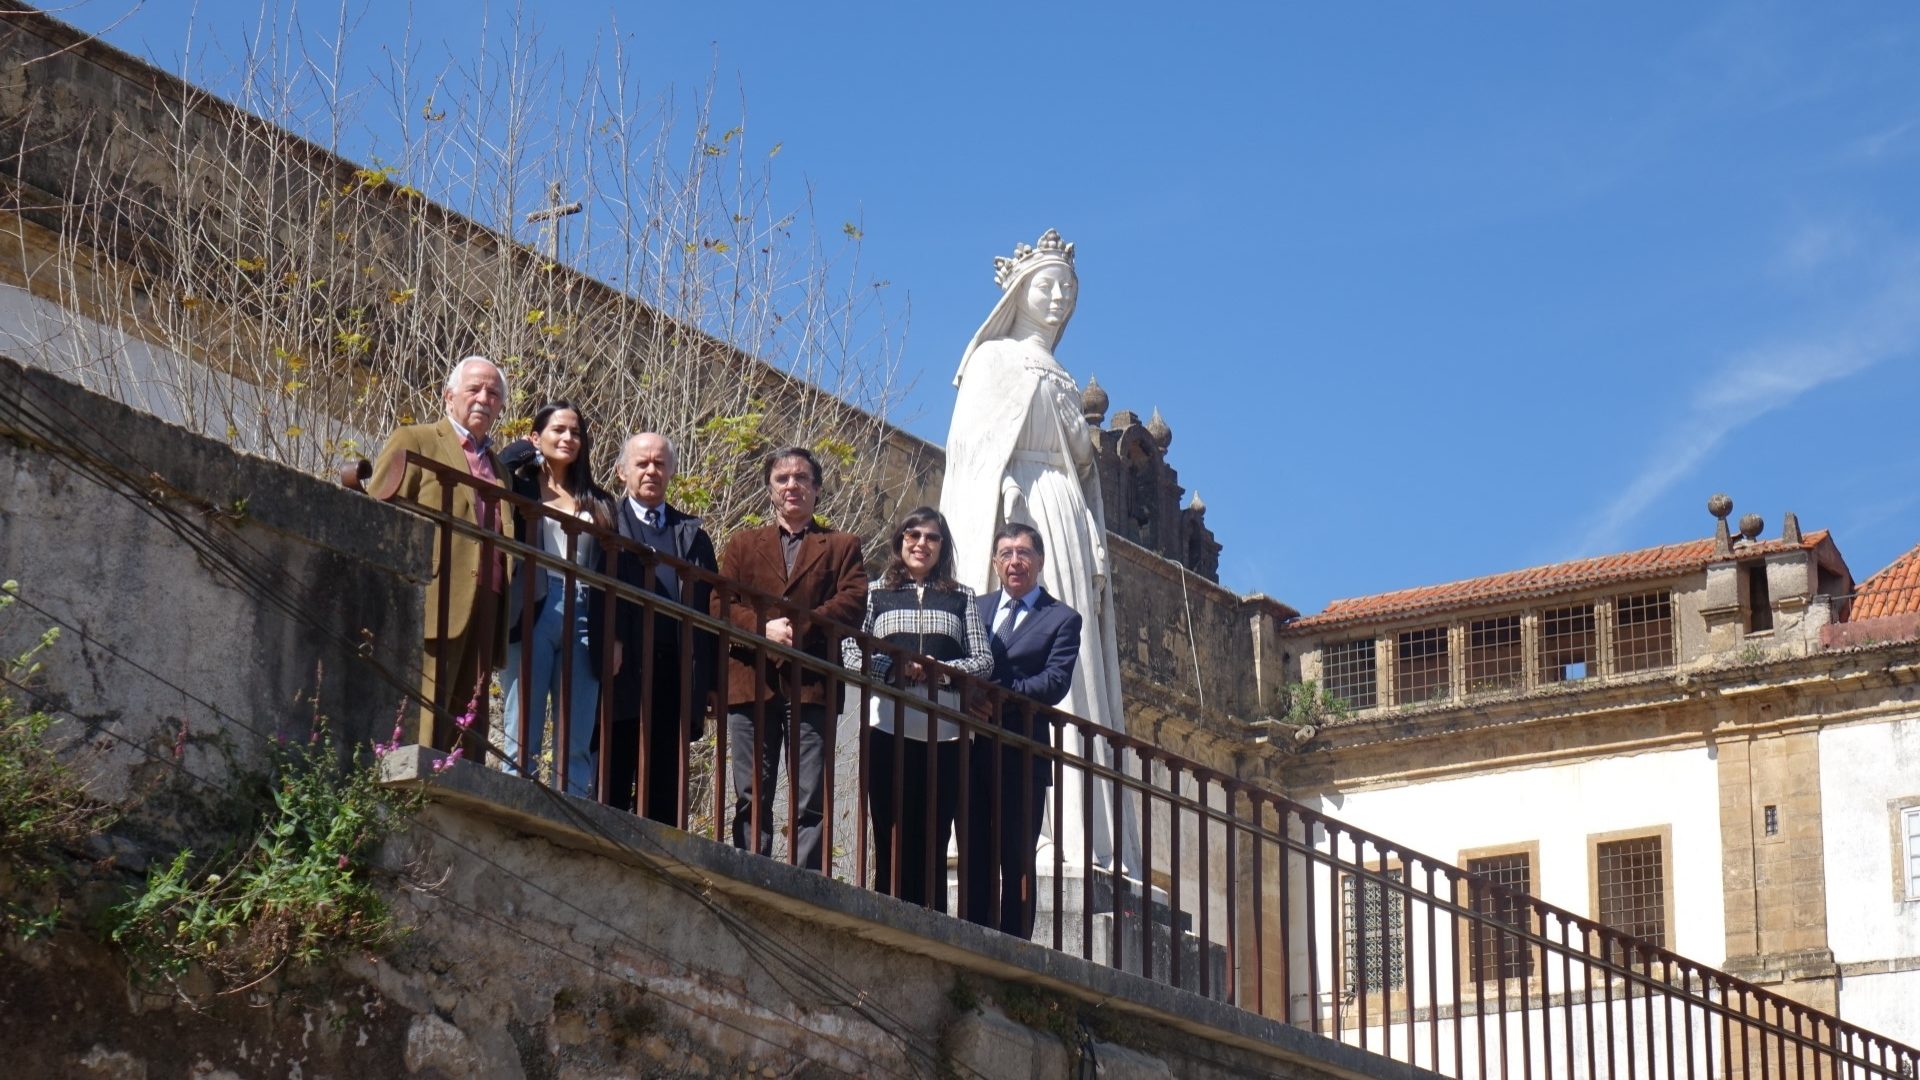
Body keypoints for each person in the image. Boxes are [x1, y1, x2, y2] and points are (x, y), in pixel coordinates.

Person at [940, 228, 1138, 879]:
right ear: (1021, 293)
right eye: (1046, 286)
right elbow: (972, 456)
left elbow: (1082, 468)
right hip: (1018, 506)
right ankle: (1027, 827)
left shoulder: (1058, 372)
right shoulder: (994, 360)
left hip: (1065, 519)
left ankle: (1085, 834)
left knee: (1074, 670)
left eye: (1067, 290)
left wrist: (1081, 457)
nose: (1057, 298)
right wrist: (999, 503)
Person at [714, 446, 867, 870]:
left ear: (817, 490)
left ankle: (807, 880)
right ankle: (749, 869)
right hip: (751, 677)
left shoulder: (841, 546)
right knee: (750, 790)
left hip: (812, 682)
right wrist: (762, 630)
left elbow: (853, 602)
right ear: (770, 490)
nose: (792, 485)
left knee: (810, 795)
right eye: (782, 479)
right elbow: (719, 602)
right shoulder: (744, 544)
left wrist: (799, 628)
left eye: (801, 478)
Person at [842, 507, 991, 912]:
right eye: (913, 535)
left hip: (946, 733)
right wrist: (892, 667)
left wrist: (939, 672)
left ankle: (930, 918)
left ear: (943, 547)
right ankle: (886, 913)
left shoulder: (962, 598)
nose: (921, 543)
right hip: (887, 725)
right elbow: (852, 649)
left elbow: (982, 659)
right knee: (888, 829)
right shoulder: (875, 593)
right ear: (899, 541)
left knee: (934, 834)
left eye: (931, 537)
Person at [371, 355, 510, 759]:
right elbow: (382, 513)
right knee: (425, 702)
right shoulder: (415, 440)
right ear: (450, 396)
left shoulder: (500, 469)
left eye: (494, 393)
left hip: (488, 598)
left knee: (471, 714)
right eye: (475, 389)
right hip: (433, 594)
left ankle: (459, 782)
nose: (484, 398)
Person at [963, 523, 1081, 938]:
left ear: (1040, 561)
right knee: (973, 850)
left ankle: (1015, 944)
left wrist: (997, 696)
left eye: (1024, 553)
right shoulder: (973, 608)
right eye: (1006, 553)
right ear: (995, 563)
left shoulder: (1062, 619)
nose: (1015, 561)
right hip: (969, 747)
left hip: (1022, 750)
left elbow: (1054, 683)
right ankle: (973, 935)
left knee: (1016, 856)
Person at [495, 401, 614, 797]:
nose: (568, 438)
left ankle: (573, 804)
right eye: (558, 430)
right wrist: (525, 451)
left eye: (575, 432)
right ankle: (516, 796)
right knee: (523, 719)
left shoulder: (598, 499)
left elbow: (612, 572)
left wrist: (613, 636)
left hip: (585, 611)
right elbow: (499, 465)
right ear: (537, 436)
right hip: (535, 601)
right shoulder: (521, 483)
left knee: (577, 728)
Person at [605, 432, 717, 824]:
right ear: (622, 471)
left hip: (675, 668)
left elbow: (710, 610)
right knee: (612, 769)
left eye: (659, 463)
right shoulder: (607, 523)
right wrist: (612, 637)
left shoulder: (693, 535)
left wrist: (711, 682)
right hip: (622, 662)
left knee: (666, 779)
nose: (651, 470)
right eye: (641, 463)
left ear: (671, 471)